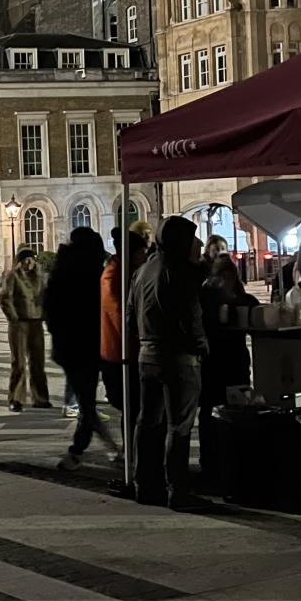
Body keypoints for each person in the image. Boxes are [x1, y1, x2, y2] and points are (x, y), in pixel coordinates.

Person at [131, 216, 210, 509]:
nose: (198, 244)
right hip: (178, 358)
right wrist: (202, 347)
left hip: (146, 355)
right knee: (179, 426)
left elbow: (130, 316)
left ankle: (145, 484)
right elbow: (192, 318)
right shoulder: (179, 271)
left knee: (148, 421)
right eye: (193, 238)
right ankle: (178, 490)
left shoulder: (142, 271)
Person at [44, 226, 116, 471]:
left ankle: (88, 451)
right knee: (87, 403)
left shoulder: (61, 272)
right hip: (88, 346)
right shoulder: (91, 273)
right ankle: (88, 451)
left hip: (71, 347)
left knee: (87, 403)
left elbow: (50, 312)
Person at [198, 249, 254, 479]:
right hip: (214, 363)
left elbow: (255, 311)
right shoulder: (207, 298)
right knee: (210, 413)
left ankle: (230, 459)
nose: (225, 281)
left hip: (233, 362)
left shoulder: (242, 300)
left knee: (233, 411)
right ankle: (211, 461)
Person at [102, 229, 149, 410]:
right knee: (131, 406)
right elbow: (121, 314)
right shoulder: (114, 275)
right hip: (120, 351)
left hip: (127, 349)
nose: (144, 258)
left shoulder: (126, 272)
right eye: (141, 253)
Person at [0, 248, 51, 412]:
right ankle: (15, 398)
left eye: (32, 259)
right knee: (19, 362)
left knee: (38, 362)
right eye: (26, 259)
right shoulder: (12, 276)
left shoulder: (40, 277)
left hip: (36, 322)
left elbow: (45, 296)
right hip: (19, 324)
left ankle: (40, 397)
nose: (30, 262)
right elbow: (5, 299)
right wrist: (14, 318)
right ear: (20, 261)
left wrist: (45, 314)